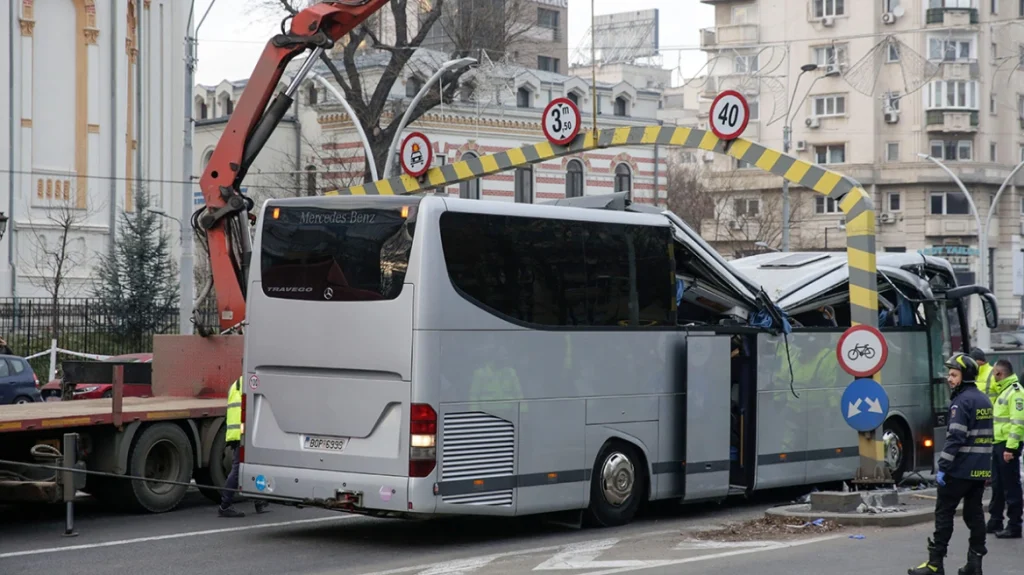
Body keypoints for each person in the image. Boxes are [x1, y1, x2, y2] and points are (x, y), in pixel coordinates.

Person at [908, 353, 993, 575]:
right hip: (979, 470)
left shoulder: (960, 402)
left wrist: (943, 467)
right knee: (974, 515)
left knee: (944, 514)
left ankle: (935, 564)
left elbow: (956, 437)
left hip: (959, 470)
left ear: (965, 377)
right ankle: (975, 564)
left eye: (954, 374)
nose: (949, 378)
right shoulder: (984, 399)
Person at [219, 374, 268, 518]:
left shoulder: (237, 383)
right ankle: (225, 505)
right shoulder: (250, 382)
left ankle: (259, 500)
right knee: (238, 468)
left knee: (252, 466)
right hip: (242, 433)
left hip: (237, 432)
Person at [987, 359, 1023, 539]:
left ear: (999, 374)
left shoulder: (1016, 392)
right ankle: (995, 520)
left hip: (1008, 445)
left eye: (994, 374)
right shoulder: (1005, 390)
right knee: (998, 484)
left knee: (1011, 485)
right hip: (999, 443)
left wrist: (1011, 448)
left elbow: (1018, 424)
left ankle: (1015, 524)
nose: (992, 378)